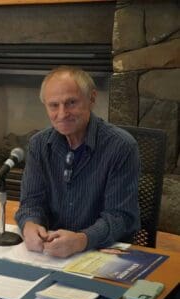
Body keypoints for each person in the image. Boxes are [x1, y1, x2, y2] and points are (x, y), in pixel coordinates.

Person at [15, 66, 140, 259]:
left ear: (91, 98)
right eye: (53, 105)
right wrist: (29, 224)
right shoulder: (38, 144)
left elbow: (120, 216)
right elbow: (31, 202)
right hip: (51, 252)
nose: (62, 114)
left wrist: (82, 240)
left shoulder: (121, 146)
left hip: (102, 251)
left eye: (71, 102)